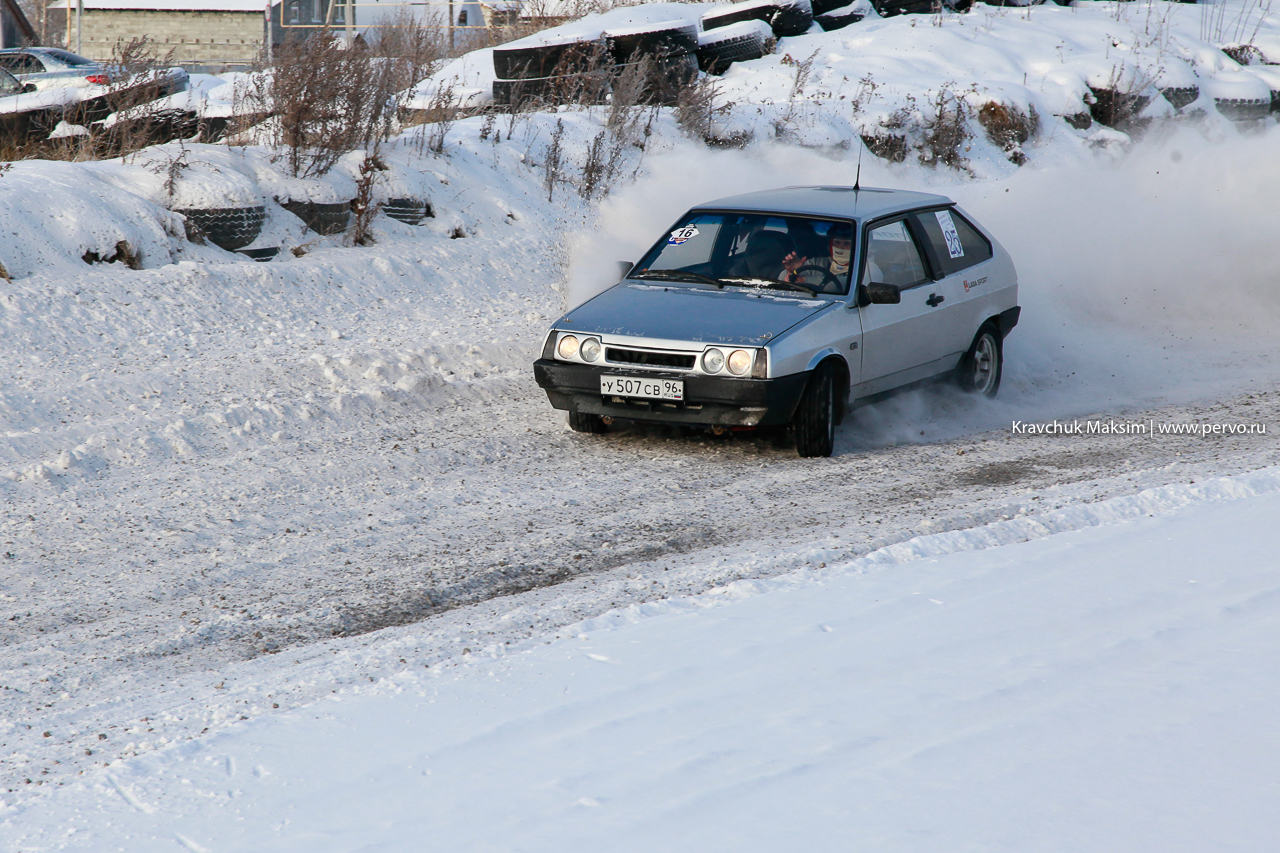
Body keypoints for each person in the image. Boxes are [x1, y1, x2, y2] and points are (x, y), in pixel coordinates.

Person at [780, 223, 854, 293]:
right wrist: (792, 272)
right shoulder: (816, 263)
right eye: (837, 243)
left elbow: (841, 283)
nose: (840, 247)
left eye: (847, 244)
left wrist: (804, 281)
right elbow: (781, 281)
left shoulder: (861, 266)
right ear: (829, 246)